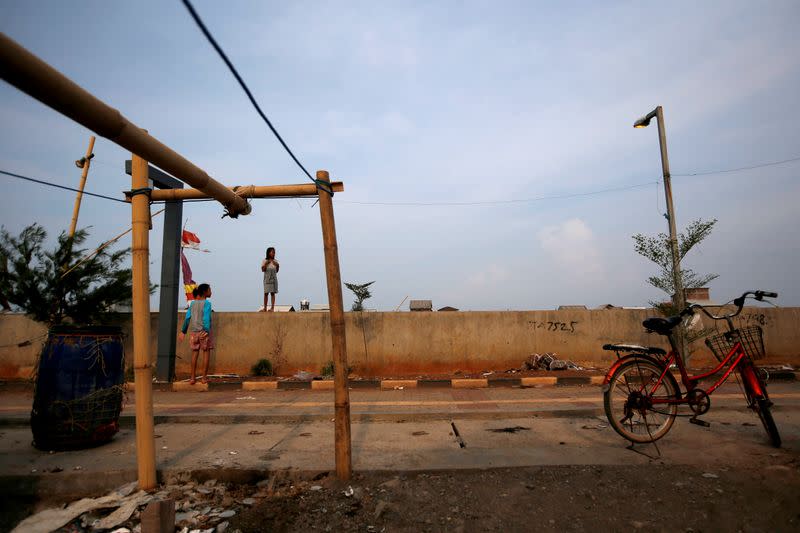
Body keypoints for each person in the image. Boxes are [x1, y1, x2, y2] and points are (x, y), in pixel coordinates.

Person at [178, 283, 213, 384]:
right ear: (205, 292)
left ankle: (192, 378)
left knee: (194, 354)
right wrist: (206, 330)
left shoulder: (192, 304)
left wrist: (183, 331)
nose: (211, 291)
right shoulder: (207, 304)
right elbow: (206, 318)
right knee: (206, 353)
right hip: (203, 332)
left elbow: (187, 318)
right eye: (210, 289)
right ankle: (204, 378)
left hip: (193, 333)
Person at [261, 247, 279, 312]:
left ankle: (272, 308)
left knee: (272, 293)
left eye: (274, 252)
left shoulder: (275, 261)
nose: (274, 254)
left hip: (273, 279)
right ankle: (265, 308)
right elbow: (263, 270)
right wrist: (266, 263)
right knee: (266, 293)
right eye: (272, 252)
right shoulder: (264, 261)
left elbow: (277, 271)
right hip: (267, 279)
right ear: (268, 253)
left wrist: (277, 265)